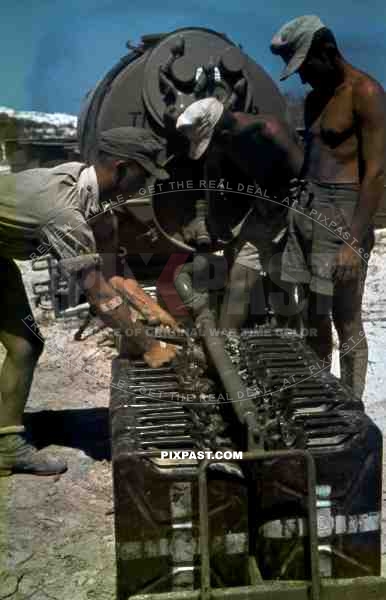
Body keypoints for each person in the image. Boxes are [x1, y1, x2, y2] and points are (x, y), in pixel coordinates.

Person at [0, 126, 178, 476]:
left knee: (25, 345)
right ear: (123, 168)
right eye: (144, 175)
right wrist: (148, 346)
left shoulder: (86, 190)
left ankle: (5, 446)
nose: (147, 185)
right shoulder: (64, 211)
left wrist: (152, 309)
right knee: (24, 345)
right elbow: (98, 292)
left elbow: (112, 269)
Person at [270, 15, 386, 398]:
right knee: (312, 316)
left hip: (343, 214)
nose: (302, 78)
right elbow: (312, 158)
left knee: (346, 319)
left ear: (328, 51)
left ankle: (352, 411)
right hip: (306, 207)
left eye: (306, 67)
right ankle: (321, 400)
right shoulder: (315, 98)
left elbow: (375, 174)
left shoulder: (365, 92)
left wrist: (353, 242)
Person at [176, 97, 303, 330]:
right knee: (240, 279)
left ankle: (294, 336)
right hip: (265, 211)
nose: (209, 151)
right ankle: (228, 349)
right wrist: (216, 224)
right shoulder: (222, 146)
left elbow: (306, 180)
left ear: (221, 133)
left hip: (296, 210)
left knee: (286, 281)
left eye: (209, 143)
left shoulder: (271, 132)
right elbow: (212, 184)